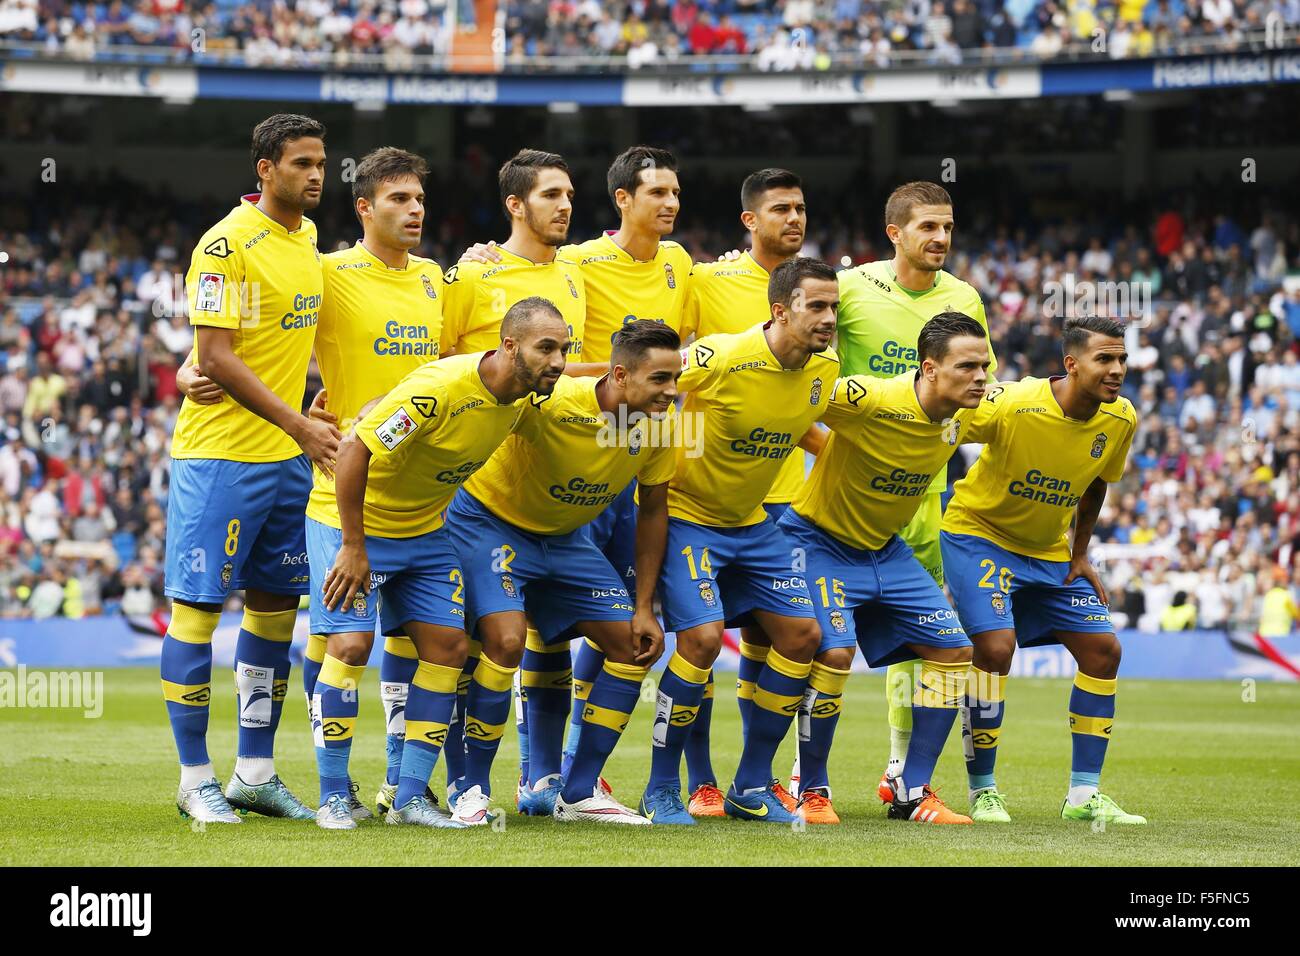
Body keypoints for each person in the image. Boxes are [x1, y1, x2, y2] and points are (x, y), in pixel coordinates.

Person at [308, 299, 565, 829]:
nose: (558, 361)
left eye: (564, 349)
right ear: (509, 347)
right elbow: (357, 449)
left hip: (424, 532)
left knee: (448, 648)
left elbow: (588, 378)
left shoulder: (524, 395)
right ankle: (334, 795)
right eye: (547, 348)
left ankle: (408, 800)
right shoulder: (442, 390)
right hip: (353, 523)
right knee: (352, 646)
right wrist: (354, 545)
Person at [162, 114, 339, 824]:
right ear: (265, 168)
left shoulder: (310, 240)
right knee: (199, 612)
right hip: (220, 457)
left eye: (322, 162)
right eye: (301, 163)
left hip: (284, 462)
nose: (317, 174)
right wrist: (299, 421)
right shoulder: (224, 245)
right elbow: (217, 355)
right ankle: (194, 777)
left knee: (274, 614)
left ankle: (255, 772)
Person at [441, 319, 681, 825]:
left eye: (675, 378)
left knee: (636, 646)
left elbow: (654, 510)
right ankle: (472, 789)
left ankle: (577, 791)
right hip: (492, 525)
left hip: (566, 541)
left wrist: (644, 607)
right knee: (505, 641)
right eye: (660, 379)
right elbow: (474, 390)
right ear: (619, 374)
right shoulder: (551, 402)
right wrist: (384, 405)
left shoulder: (661, 426)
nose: (672, 391)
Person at [638, 257, 837, 826]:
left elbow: (795, 416)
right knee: (699, 641)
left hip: (752, 524)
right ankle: (660, 789)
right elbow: (643, 372)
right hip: (687, 516)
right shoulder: (721, 355)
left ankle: (750, 785)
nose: (828, 318)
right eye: (815, 306)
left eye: (833, 308)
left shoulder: (824, 369)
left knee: (803, 636)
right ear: (781, 310)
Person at [779, 312, 991, 825]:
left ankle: (911, 789)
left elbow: (1036, 410)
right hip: (816, 541)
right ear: (929, 369)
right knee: (834, 651)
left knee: (955, 647)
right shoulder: (869, 398)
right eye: (968, 367)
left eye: (984, 365)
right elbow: (789, 389)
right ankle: (810, 789)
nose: (981, 377)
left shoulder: (968, 412)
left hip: (884, 549)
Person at [942, 315, 1146, 825]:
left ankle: (1083, 796)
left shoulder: (1121, 418)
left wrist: (1080, 553)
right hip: (978, 535)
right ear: (1072, 364)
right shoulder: (1014, 402)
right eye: (1105, 359)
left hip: (1049, 551)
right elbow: (943, 421)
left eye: (1121, 358)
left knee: (1104, 650)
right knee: (994, 647)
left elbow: (1098, 482)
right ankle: (983, 790)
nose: (1117, 369)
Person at [834, 180, 995, 804]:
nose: (942, 239)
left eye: (949, 227)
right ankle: (800, 776)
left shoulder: (964, 299)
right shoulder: (852, 288)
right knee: (819, 635)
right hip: (843, 489)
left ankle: (901, 772)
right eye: (928, 227)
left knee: (916, 638)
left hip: (921, 491)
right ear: (894, 233)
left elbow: (977, 391)